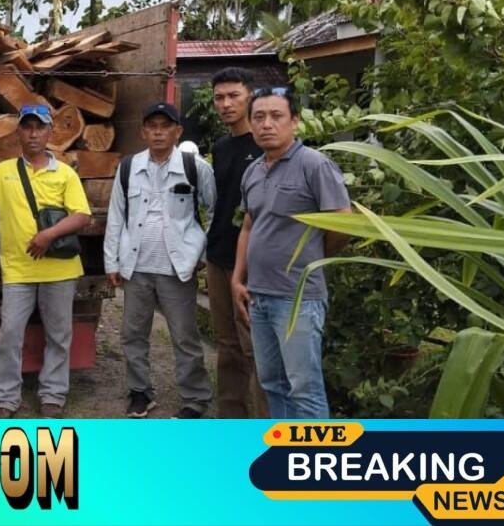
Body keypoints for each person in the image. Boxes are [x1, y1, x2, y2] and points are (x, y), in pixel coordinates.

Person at [230, 87, 351, 419]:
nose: (266, 124)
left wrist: (313, 259)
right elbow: (249, 227)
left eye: (276, 116)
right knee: (272, 383)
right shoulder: (253, 171)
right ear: (251, 124)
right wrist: (238, 279)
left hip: (298, 297)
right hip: (259, 296)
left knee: (304, 387)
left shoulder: (315, 165)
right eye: (259, 117)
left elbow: (343, 224)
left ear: (295, 121)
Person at [0, 104, 92, 419]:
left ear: (50, 132)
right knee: (10, 333)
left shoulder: (65, 173)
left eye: (39, 127)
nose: (33, 133)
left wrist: (48, 235)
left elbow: (82, 216)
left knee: (59, 335)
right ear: (18, 132)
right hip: (18, 270)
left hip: (60, 269)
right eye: (27, 127)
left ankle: (53, 396)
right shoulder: (3, 171)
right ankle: (6, 398)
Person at [105, 102, 216, 419]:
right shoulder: (129, 167)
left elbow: (215, 213)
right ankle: (140, 393)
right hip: (137, 268)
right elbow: (117, 216)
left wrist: (202, 254)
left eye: (165, 125)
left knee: (185, 337)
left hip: (177, 270)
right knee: (132, 335)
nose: (157, 131)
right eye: (151, 125)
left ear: (177, 131)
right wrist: (111, 262)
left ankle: (195, 398)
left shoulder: (195, 168)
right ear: (143, 132)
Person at [205, 67, 268, 418]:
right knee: (226, 345)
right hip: (218, 257)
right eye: (219, 98)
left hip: (255, 263)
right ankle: (229, 419)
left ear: (250, 97)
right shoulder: (222, 146)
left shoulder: (265, 145)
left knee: (255, 348)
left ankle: (262, 428)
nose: (226, 104)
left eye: (234, 96)